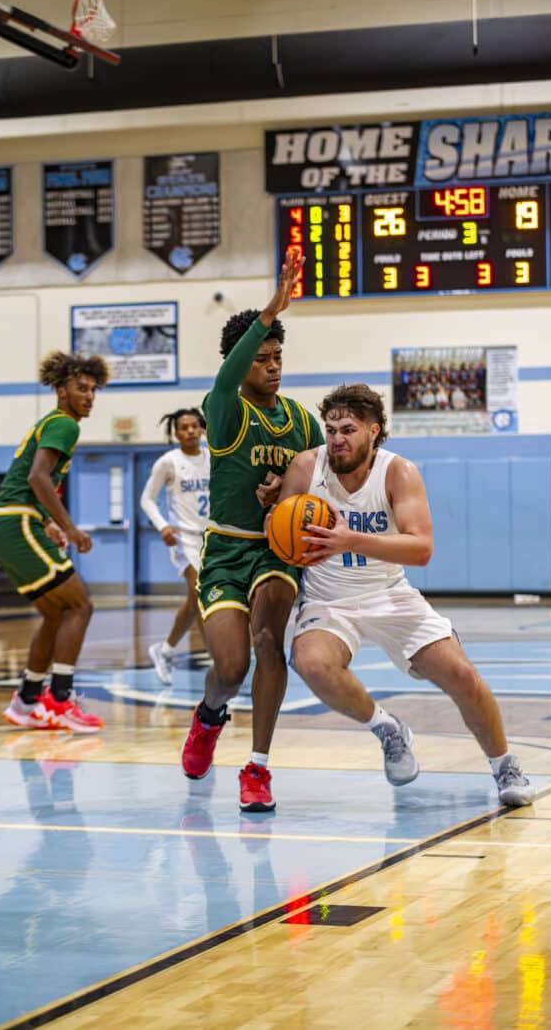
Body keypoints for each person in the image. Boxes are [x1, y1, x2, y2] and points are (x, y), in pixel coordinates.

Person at [273, 382, 535, 807]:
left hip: (389, 593)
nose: (338, 439)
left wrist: (350, 540)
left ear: (374, 431)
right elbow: (279, 533)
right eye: (332, 429)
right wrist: (274, 509)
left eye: (349, 429)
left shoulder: (398, 472)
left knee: (463, 677)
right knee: (312, 664)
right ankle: (387, 728)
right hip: (328, 598)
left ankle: (504, 764)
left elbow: (421, 548)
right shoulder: (306, 468)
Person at [181, 250, 324, 812]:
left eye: (277, 356)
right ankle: (209, 717)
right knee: (230, 667)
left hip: (276, 551)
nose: (272, 365)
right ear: (240, 363)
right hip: (224, 552)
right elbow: (223, 377)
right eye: (261, 357)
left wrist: (289, 498)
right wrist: (270, 308)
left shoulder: (303, 421)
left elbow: (321, 493)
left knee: (269, 642)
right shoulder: (224, 410)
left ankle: (258, 768)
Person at [0, 350, 110, 733]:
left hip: (11, 526)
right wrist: (69, 527)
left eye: (93, 390)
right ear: (61, 391)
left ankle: (26, 701)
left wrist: (47, 525)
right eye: (81, 388)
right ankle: (58, 700)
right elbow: (37, 479)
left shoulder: (54, 422)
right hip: (16, 524)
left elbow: (29, 481)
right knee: (80, 606)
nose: (88, 396)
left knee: (58, 613)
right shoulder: (64, 424)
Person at [140, 407, 210, 684]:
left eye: (195, 426)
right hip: (184, 538)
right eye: (184, 427)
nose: (190, 431)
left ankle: (166, 650)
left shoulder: (212, 458)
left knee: (202, 600)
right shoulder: (168, 462)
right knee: (199, 594)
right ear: (176, 432)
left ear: (202, 429)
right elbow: (147, 499)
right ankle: (217, 659)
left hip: (211, 538)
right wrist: (163, 526)